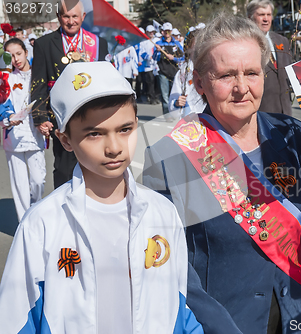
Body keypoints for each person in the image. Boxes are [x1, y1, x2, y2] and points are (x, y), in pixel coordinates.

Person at [143, 13, 301, 334]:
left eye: (251, 73)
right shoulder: (168, 155)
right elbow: (170, 269)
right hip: (224, 322)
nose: (241, 88)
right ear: (198, 82)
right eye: (225, 76)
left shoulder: (291, 135)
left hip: (298, 317)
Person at [0, 61, 203, 333]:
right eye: (94, 134)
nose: (114, 148)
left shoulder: (163, 213)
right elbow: (15, 319)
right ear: (66, 140)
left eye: (125, 129)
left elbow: (180, 306)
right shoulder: (41, 224)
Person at [31, 0, 108, 189]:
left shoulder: (98, 43)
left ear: (83, 17)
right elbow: (38, 83)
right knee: (64, 167)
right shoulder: (44, 44)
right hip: (61, 116)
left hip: (93, 115)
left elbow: (106, 79)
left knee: (94, 164)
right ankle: (63, 209)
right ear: (59, 17)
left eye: (75, 16)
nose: (71, 21)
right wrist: (40, 118)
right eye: (66, 16)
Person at [0, 38, 45, 221]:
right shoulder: (6, 78)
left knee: (38, 180)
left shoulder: (39, 75)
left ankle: (35, 214)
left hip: (35, 135)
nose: (16, 59)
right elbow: (3, 103)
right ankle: (25, 224)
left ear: (26, 52)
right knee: (19, 185)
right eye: (10, 56)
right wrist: (9, 117)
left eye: (18, 53)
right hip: (14, 136)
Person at [247, 0, 293, 116]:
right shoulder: (246, 45)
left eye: (268, 15)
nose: (266, 19)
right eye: (261, 15)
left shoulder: (282, 41)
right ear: (250, 17)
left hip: (286, 112)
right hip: (262, 114)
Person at [168, 30, 205, 117]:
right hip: (189, 122)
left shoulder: (214, 68)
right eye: (196, 45)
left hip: (211, 122)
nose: (200, 48)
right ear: (188, 48)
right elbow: (173, 104)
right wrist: (177, 103)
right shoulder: (183, 73)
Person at [138, 25, 159, 104]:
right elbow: (141, 53)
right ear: (146, 32)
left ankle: (156, 96)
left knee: (157, 82)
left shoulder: (156, 40)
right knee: (150, 82)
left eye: (152, 32)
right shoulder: (143, 42)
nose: (151, 33)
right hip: (148, 66)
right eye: (150, 32)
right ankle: (151, 97)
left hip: (156, 65)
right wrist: (148, 57)